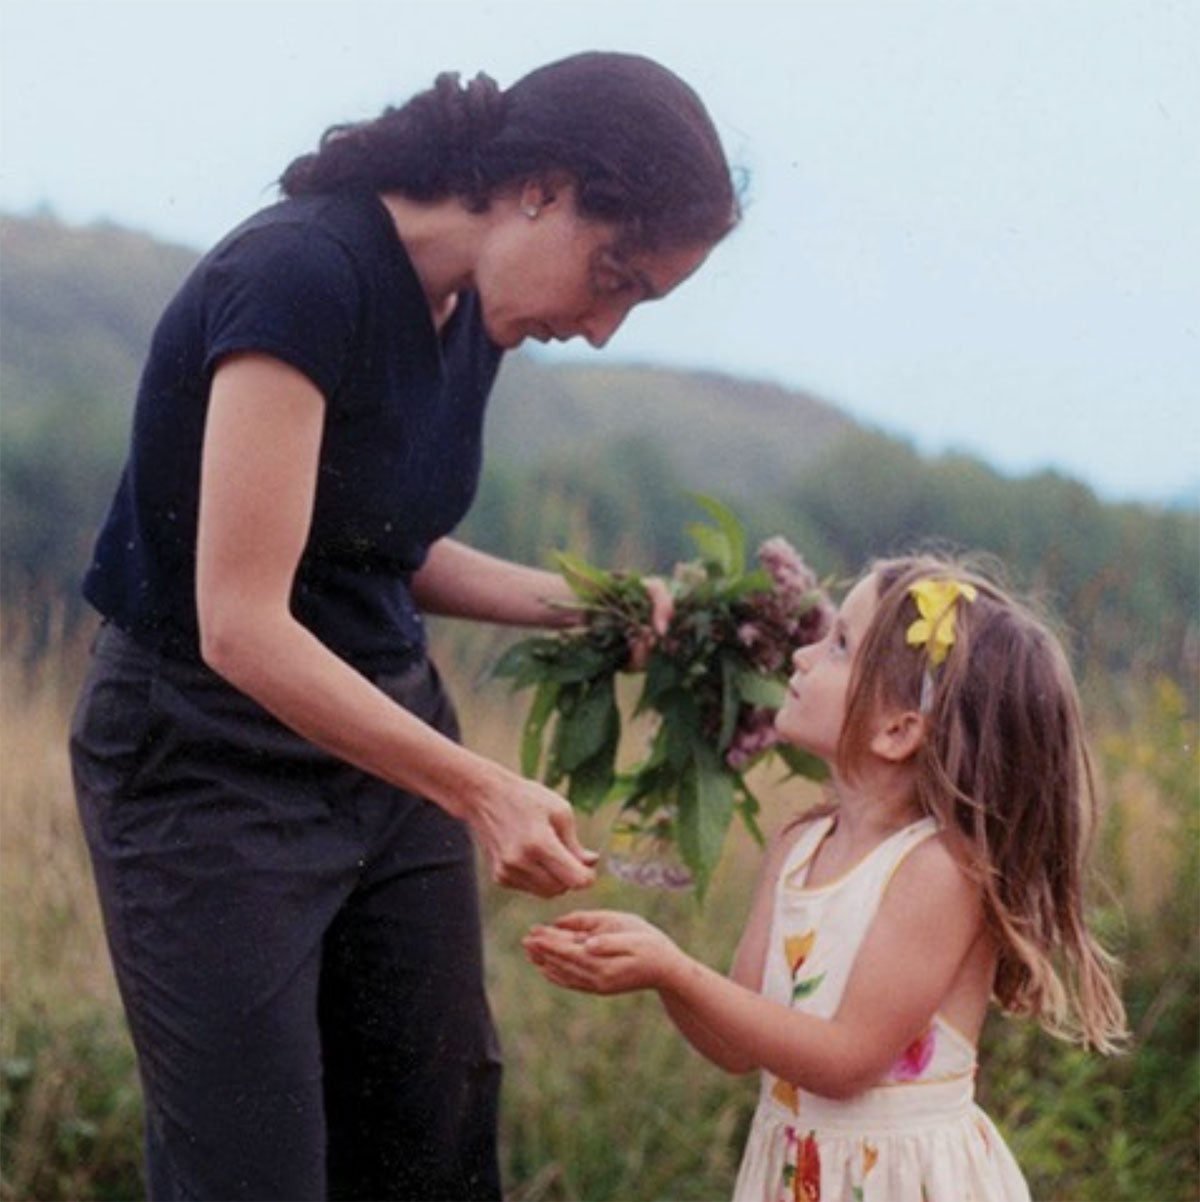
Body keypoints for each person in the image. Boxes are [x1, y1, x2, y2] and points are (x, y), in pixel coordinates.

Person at [68, 51, 739, 1201]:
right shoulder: (300, 276)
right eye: (614, 274)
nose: (604, 325)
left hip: (384, 754)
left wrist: (597, 606)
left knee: (430, 1142)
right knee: (253, 1169)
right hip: (205, 767)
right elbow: (241, 620)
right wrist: (482, 787)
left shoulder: (470, 314)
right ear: (542, 185)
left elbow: (383, 541)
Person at [524, 553, 1129, 1202]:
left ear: (897, 730)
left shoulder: (938, 870)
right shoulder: (798, 845)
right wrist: (655, 975)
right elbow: (736, 1047)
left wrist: (672, 967)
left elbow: (845, 1062)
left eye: (839, 644)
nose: (804, 656)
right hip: (798, 1175)